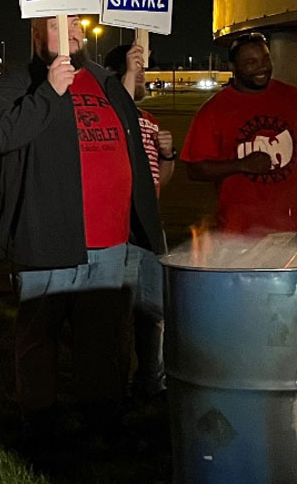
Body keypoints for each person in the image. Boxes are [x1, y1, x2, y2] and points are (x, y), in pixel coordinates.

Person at [0, 16, 163, 447]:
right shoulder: (14, 84)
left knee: (104, 339)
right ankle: (41, 424)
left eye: (77, 23)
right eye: (56, 24)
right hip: (46, 236)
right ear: (34, 33)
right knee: (39, 338)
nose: (72, 32)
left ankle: (102, 417)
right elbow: (1, 136)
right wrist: (49, 91)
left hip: (111, 240)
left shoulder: (104, 81)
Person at [182, 32, 297, 247]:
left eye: (265, 59)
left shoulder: (292, 98)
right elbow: (195, 169)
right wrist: (241, 165)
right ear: (233, 67)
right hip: (240, 231)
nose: (261, 67)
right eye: (251, 62)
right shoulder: (214, 110)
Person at [103, 43, 176, 398]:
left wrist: (168, 155)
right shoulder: (110, 116)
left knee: (154, 311)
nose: (143, 77)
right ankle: (113, 386)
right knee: (118, 314)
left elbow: (161, 180)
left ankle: (150, 381)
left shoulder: (150, 120)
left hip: (150, 227)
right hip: (121, 226)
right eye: (137, 71)